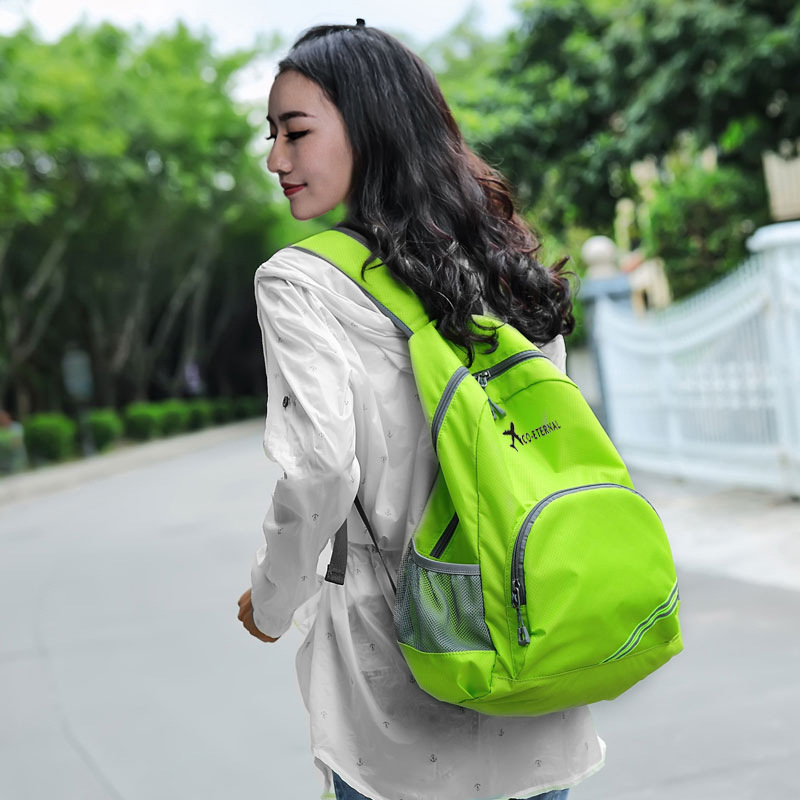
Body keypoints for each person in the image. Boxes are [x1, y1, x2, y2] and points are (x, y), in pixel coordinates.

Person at [236, 21, 605, 800]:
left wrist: (271, 599)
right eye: (273, 136)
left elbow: (321, 469)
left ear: (369, 128)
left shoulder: (302, 282)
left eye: (295, 132)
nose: (276, 159)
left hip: (400, 683)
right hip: (535, 647)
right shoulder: (504, 262)